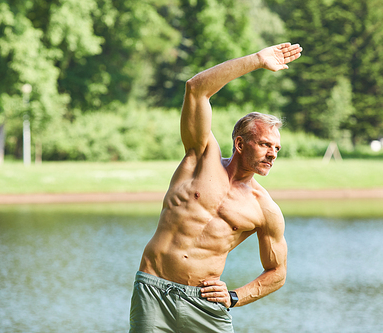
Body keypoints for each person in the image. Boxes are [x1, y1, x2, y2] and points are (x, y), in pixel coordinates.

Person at [129, 42, 302, 332]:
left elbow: (277, 272)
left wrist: (235, 296)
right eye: (264, 145)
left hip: (205, 304)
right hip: (154, 293)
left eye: (277, 148)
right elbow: (196, 88)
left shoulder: (265, 208)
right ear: (239, 143)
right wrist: (258, 60)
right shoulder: (200, 158)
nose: (272, 153)